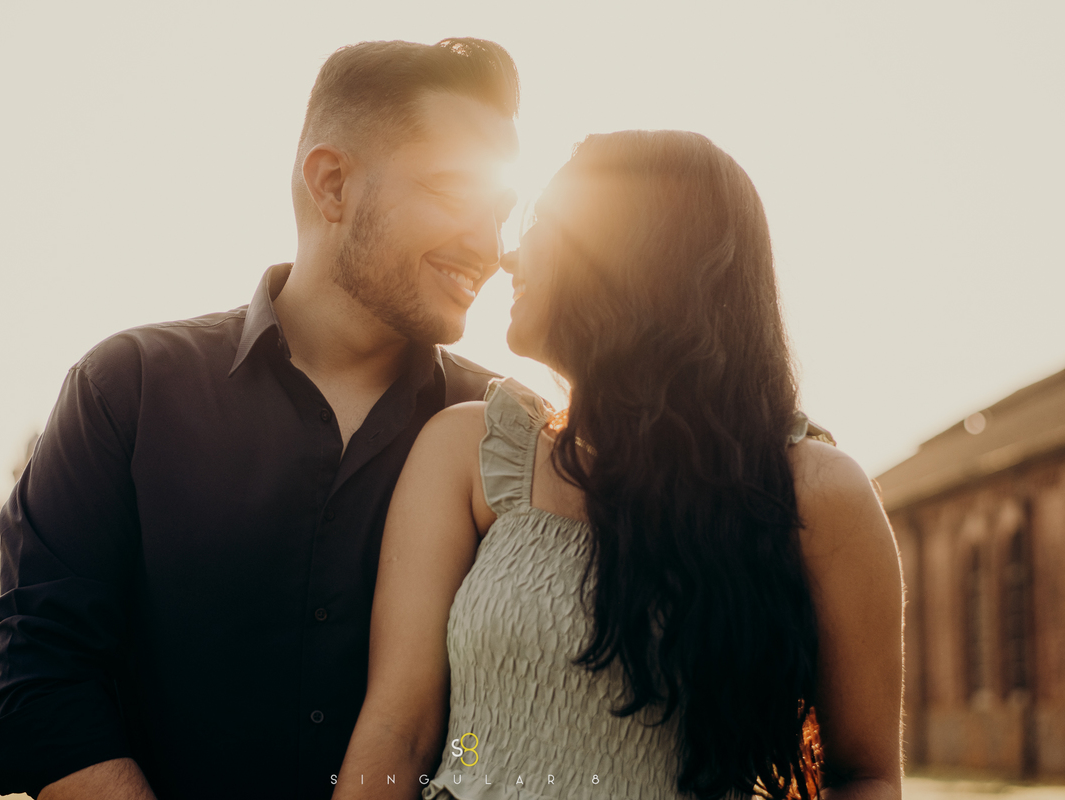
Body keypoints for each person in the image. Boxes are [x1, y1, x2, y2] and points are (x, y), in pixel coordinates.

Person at [0, 38, 520, 800]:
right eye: (457, 196)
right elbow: (46, 687)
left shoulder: (505, 441)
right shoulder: (124, 391)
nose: (490, 248)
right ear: (332, 184)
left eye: (503, 215)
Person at [332, 130, 905, 800]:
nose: (509, 254)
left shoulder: (814, 494)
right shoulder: (471, 451)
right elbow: (400, 731)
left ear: (627, 253)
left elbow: (863, 773)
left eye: (542, 222)